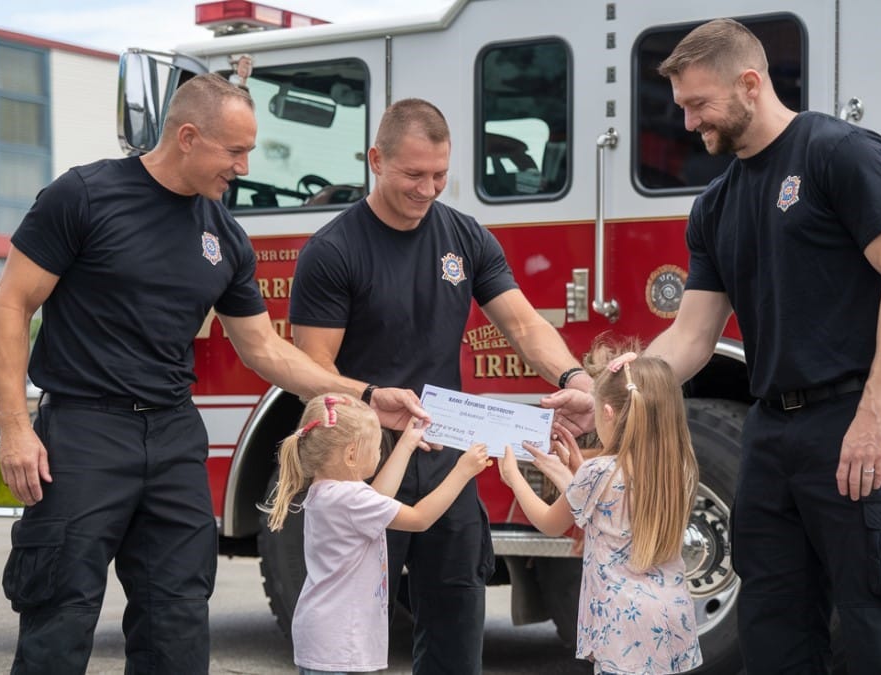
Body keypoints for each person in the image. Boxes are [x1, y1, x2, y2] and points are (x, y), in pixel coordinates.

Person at [0, 73, 427, 675]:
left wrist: (367, 395)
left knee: (177, 615)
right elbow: (12, 305)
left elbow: (265, 350)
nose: (244, 166)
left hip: (172, 434)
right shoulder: (83, 196)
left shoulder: (223, 234)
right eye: (235, 151)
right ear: (188, 136)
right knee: (60, 612)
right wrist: (15, 426)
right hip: (85, 430)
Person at [545, 19, 881, 674]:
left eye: (699, 104)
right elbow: (694, 336)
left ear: (750, 84)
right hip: (774, 434)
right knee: (773, 626)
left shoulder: (841, 154)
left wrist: (875, 413)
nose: (689, 121)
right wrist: (617, 393)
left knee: (878, 628)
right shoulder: (716, 204)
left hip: (857, 422)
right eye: (682, 108)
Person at [288, 97, 594, 674]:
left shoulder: (464, 237)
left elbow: (525, 324)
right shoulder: (333, 251)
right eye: (412, 174)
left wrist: (576, 377)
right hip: (367, 462)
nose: (428, 189)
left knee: (456, 619)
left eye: (438, 174)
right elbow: (315, 374)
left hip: (450, 458)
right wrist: (374, 398)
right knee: (353, 628)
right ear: (376, 160)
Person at [500, 347, 702, 674]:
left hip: (621, 621)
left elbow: (551, 523)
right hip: (670, 613)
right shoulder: (678, 469)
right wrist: (567, 471)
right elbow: (608, 506)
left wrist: (514, 478)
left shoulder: (598, 473)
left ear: (608, 413)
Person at [265, 395, 491, 674]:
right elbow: (419, 519)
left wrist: (407, 444)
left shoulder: (329, 492)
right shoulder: (351, 499)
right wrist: (462, 471)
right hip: (342, 645)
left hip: (326, 639)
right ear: (351, 454)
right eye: (375, 448)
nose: (379, 454)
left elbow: (378, 496)